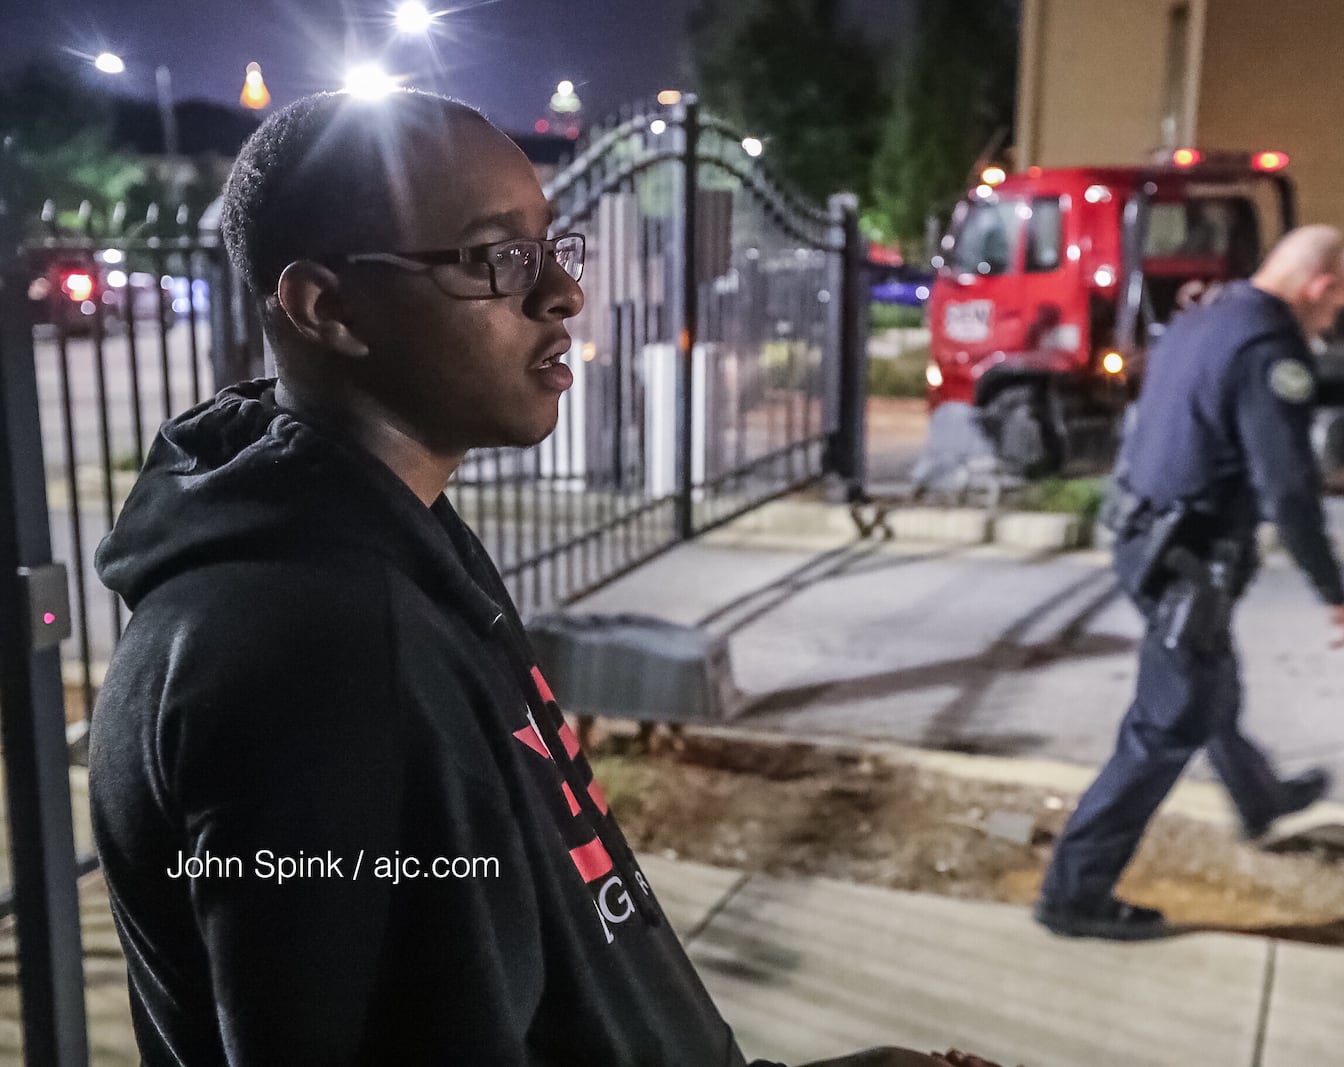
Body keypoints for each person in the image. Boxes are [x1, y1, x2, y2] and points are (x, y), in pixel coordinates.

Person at [89, 89, 996, 1067]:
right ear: (328, 307)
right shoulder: (318, 660)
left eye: (555, 248)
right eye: (497, 258)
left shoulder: (390, 540)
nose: (561, 292)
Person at [1033, 226, 1344, 941]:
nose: (1332, 322)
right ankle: (1074, 892)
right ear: (1317, 286)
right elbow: (1288, 488)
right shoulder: (1270, 348)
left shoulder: (1206, 316)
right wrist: (1332, 587)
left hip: (1143, 532)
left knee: (1211, 679)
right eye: (1337, 306)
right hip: (1186, 557)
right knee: (1167, 722)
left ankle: (1260, 796)